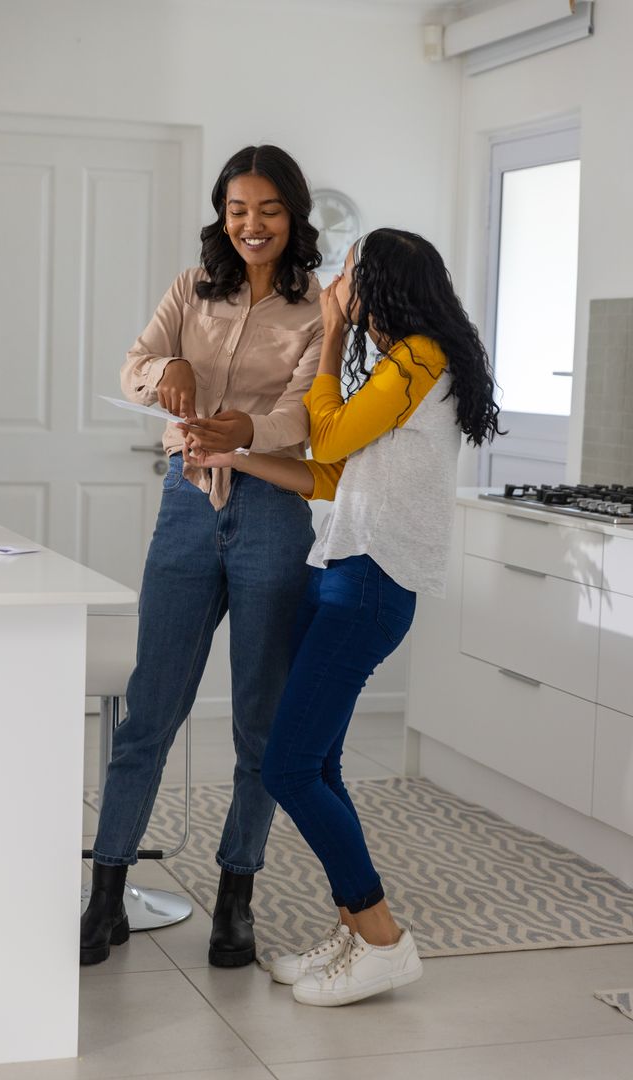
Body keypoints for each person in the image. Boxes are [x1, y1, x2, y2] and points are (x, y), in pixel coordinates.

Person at [184, 227, 501, 1006]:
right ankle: (356, 931)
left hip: (372, 583)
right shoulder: (402, 365)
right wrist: (232, 457)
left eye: (346, 276)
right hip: (344, 572)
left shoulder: (419, 358)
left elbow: (325, 432)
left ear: (378, 284)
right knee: (316, 763)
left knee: (288, 767)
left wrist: (327, 335)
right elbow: (332, 474)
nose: (334, 287)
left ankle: (383, 939)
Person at [80, 145, 323, 968]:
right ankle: (106, 895)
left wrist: (245, 428)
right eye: (238, 209)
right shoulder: (192, 289)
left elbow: (303, 415)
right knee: (149, 711)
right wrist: (170, 367)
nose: (252, 224)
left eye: (269, 210)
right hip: (187, 507)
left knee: (260, 723)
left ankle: (235, 900)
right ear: (223, 214)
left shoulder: (318, 309)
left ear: (293, 215)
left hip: (273, 513)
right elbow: (133, 367)